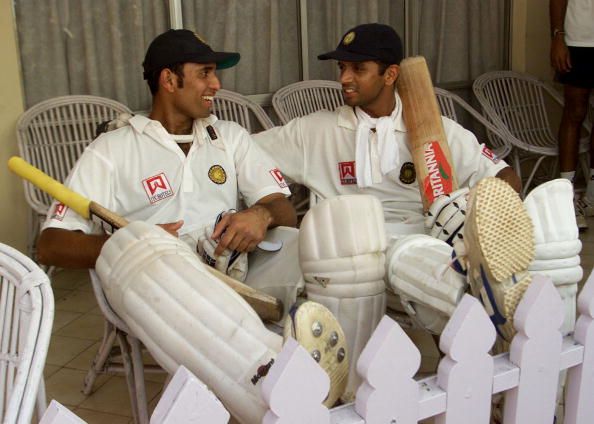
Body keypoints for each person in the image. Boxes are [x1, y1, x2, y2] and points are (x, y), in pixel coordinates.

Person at [36, 29, 349, 423]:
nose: (216, 84)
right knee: (156, 258)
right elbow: (50, 245)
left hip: (233, 269)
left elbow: (281, 205)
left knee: (317, 248)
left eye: (214, 73)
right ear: (169, 80)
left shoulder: (229, 137)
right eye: (204, 73)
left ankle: (324, 375)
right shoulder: (112, 150)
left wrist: (261, 215)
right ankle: (280, 380)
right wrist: (135, 240)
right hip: (152, 280)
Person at [255, 23, 582, 396]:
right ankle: (500, 310)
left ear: (391, 74)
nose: (344, 78)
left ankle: (511, 352)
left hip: (427, 240)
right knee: (416, 263)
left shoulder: (432, 129)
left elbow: (504, 175)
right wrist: (263, 206)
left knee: (519, 248)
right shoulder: (314, 132)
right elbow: (245, 157)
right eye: (341, 68)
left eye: (357, 69)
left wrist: (477, 206)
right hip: (350, 255)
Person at [550, 0, 594, 230]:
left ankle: (592, 196)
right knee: (575, 112)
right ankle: (565, 197)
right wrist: (558, 37)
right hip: (578, 41)